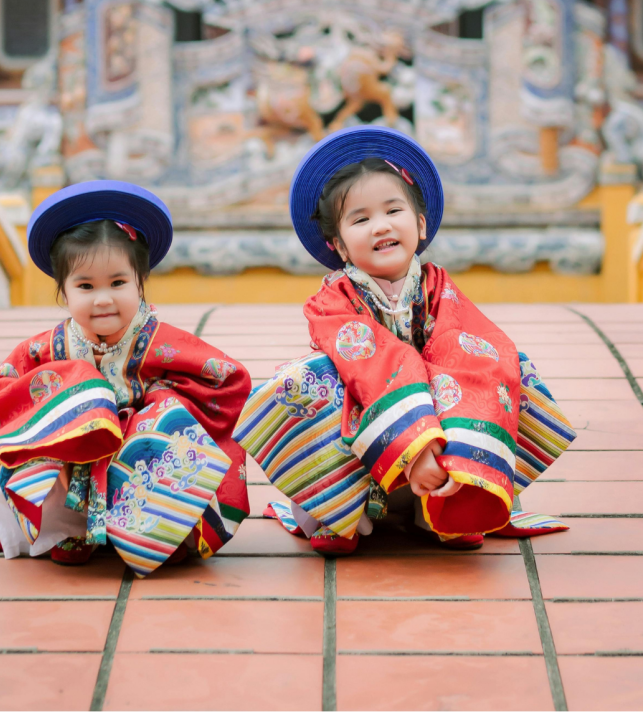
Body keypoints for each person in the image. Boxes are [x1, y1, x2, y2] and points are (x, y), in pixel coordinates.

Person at [235, 126, 575, 555]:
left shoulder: (438, 289)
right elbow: (373, 363)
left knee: (491, 361)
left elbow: (466, 350)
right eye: (360, 219)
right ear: (338, 245)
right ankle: (336, 510)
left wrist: (433, 439)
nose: (380, 226)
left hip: (434, 444)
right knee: (309, 378)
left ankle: (441, 503)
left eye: (392, 211)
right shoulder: (330, 301)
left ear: (419, 223)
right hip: (361, 441)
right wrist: (415, 445)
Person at [0, 181, 251, 576]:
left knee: (168, 420)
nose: (103, 298)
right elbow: (3, 388)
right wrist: (57, 407)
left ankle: (163, 529)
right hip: (78, 451)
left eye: (118, 283)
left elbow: (227, 380)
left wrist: (160, 403)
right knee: (50, 422)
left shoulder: (161, 341)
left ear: (140, 281)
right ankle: (69, 529)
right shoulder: (48, 348)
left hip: (140, 448)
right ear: (64, 291)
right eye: (85, 286)